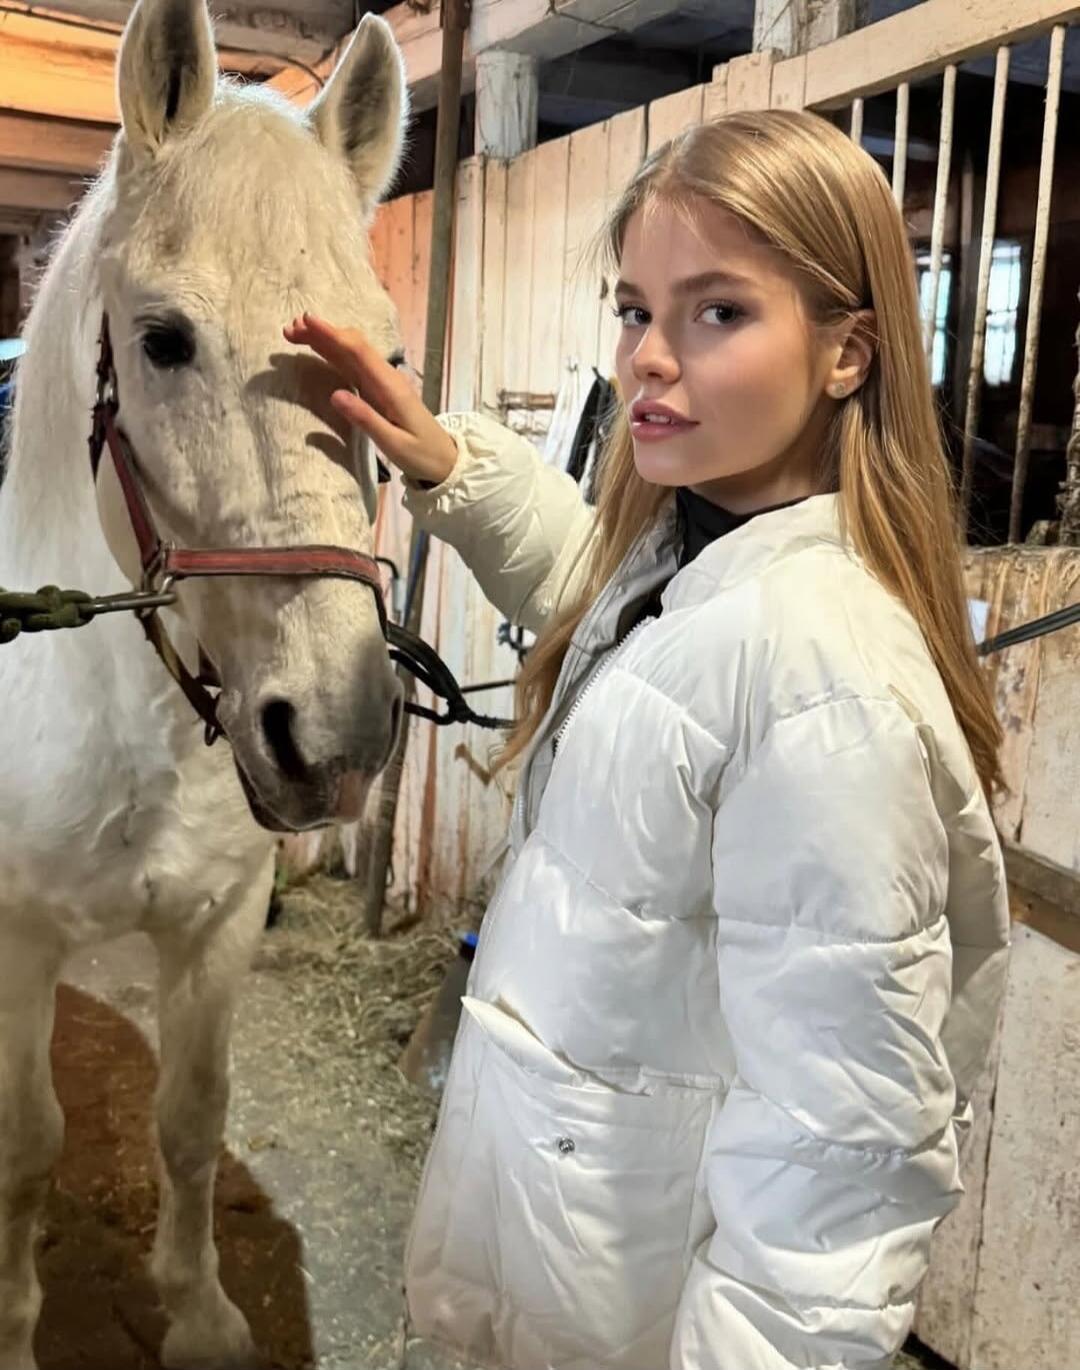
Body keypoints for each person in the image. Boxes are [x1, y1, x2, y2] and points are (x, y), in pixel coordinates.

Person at [285, 109, 1010, 1370]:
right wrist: (449, 460)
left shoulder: (824, 686)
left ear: (848, 352)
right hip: (582, 1261)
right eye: (634, 310)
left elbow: (839, 1156)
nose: (648, 360)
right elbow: (640, 644)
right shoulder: (698, 555)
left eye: (718, 312)